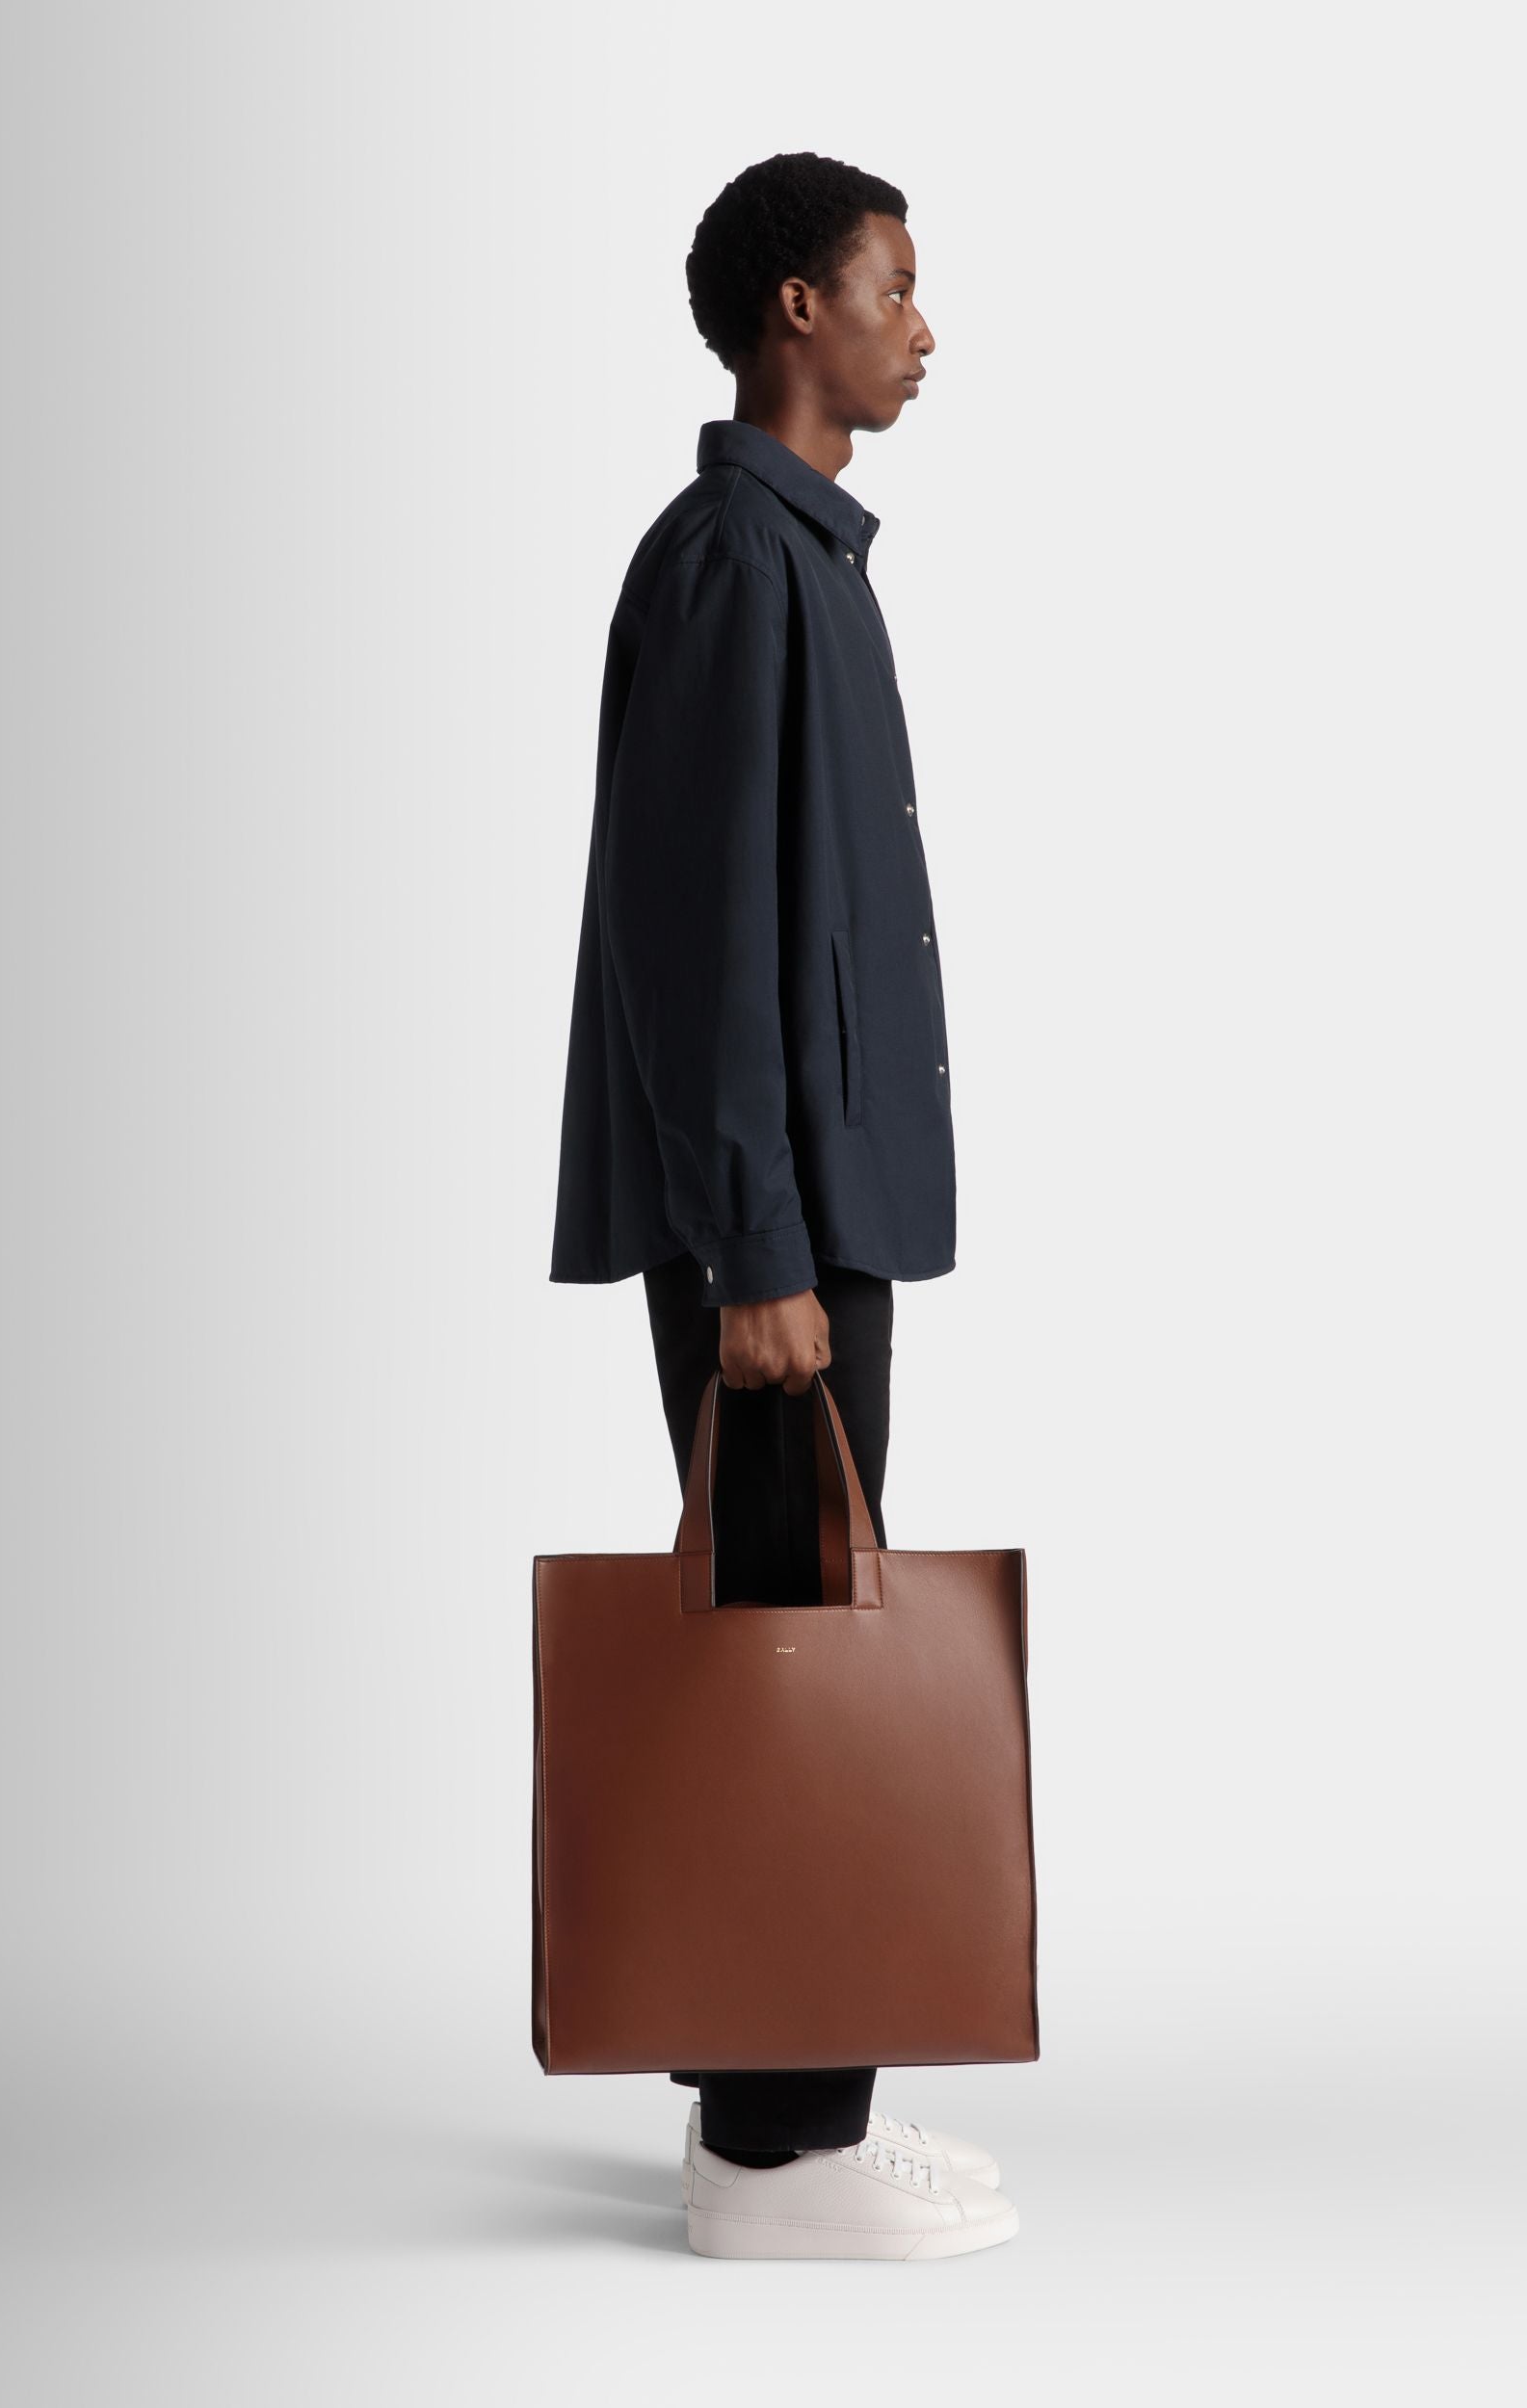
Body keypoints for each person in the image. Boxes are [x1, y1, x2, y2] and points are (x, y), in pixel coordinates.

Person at [547, 151, 1017, 2261]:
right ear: (794, 312)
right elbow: (694, 939)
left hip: (813, 1194)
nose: (925, 325)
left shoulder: (798, 552)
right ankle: (774, 2158)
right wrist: (751, 1249)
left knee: (791, 1631)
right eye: (894, 285)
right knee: (784, 1649)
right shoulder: (739, 560)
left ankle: (781, 2106)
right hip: (777, 1220)